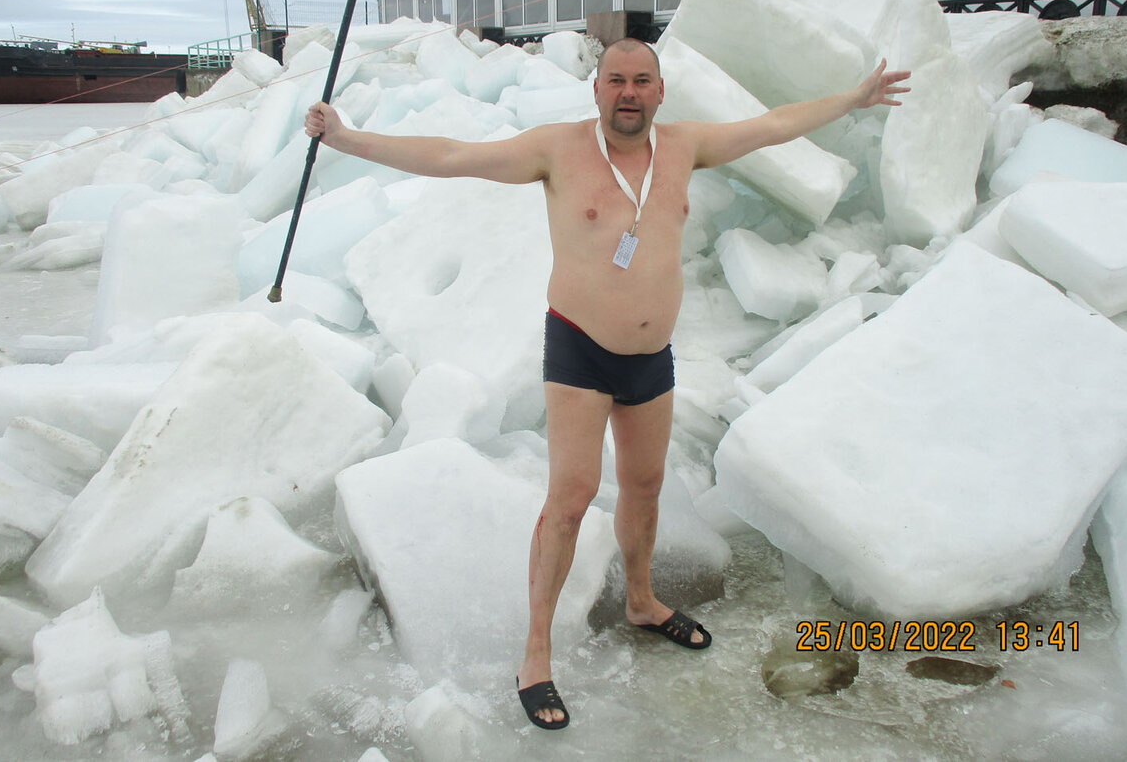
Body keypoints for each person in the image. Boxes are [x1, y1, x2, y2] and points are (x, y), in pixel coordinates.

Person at [305, 38, 909, 730]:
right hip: (580, 348)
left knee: (646, 486)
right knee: (570, 497)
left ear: (659, 91)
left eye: (641, 81)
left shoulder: (684, 148)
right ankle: (536, 652)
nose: (628, 92)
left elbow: (770, 126)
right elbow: (449, 156)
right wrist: (348, 140)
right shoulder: (556, 151)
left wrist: (852, 99)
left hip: (651, 357)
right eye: (615, 79)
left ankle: (643, 600)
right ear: (596, 90)